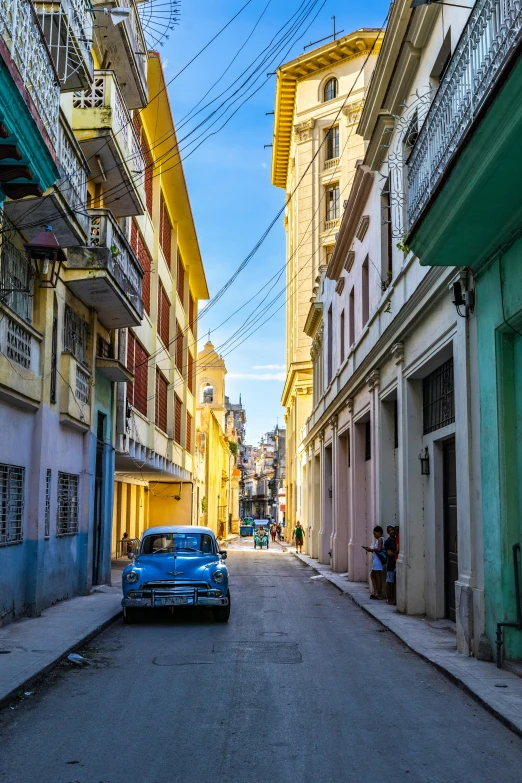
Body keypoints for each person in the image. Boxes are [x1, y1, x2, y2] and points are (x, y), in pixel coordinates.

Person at [363, 526, 385, 599]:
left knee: (377, 576)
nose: (374, 535)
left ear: (379, 532)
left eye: (375, 534)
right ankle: (376, 592)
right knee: (373, 575)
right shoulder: (381, 539)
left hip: (377, 560)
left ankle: (378, 593)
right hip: (376, 560)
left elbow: (379, 549)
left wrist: (371, 549)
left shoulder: (380, 539)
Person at [384, 526, 397, 605]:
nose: (392, 531)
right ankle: (389, 599)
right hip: (391, 563)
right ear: (388, 532)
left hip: (395, 563)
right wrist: (397, 554)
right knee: (389, 582)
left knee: (394, 582)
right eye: (390, 530)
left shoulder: (396, 540)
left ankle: (394, 598)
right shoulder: (388, 541)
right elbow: (389, 553)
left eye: (392, 530)